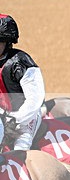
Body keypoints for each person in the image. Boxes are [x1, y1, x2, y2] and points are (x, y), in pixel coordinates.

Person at [0, 13, 46, 152]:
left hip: (26, 115)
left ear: (7, 42)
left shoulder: (20, 61)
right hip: (3, 115)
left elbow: (35, 98)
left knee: (20, 148)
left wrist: (15, 119)